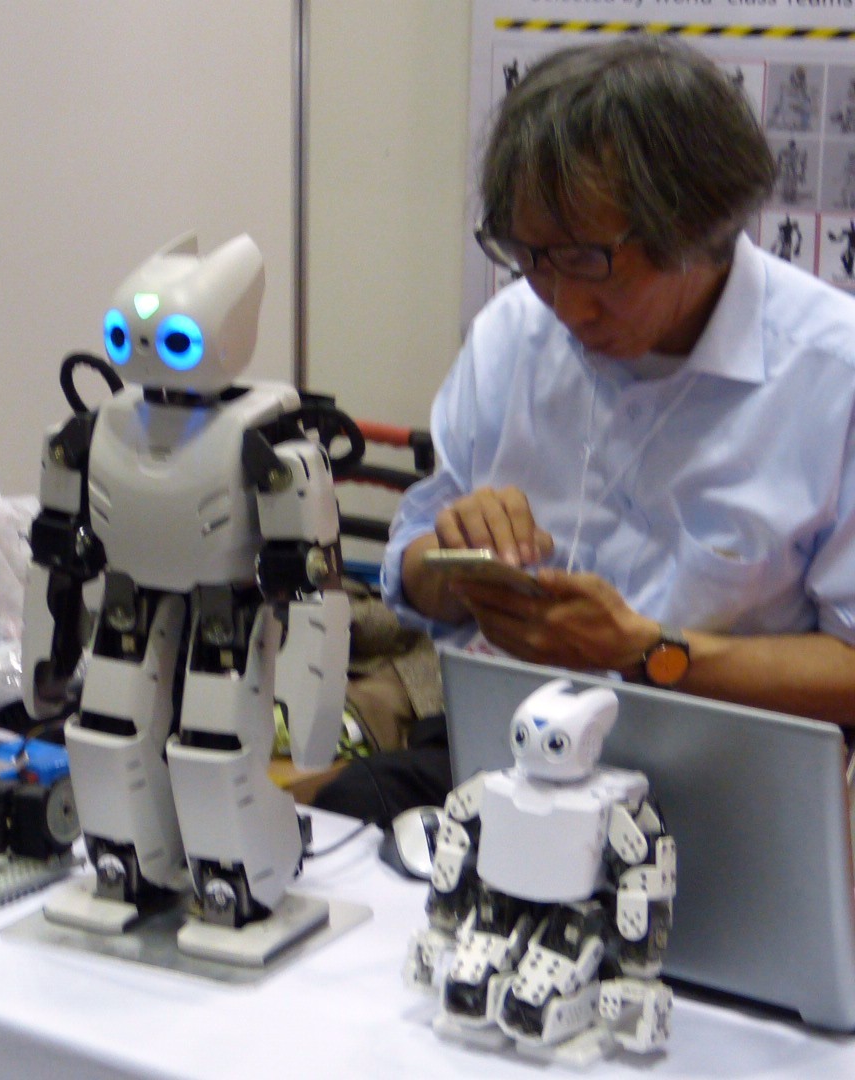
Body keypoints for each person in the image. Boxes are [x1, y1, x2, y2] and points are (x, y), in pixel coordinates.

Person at [316, 37, 855, 822]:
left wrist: (643, 650)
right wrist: (456, 560)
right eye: (533, 257)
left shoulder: (831, 374)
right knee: (340, 824)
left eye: (593, 262)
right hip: (507, 755)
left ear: (701, 229)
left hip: (720, 790)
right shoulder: (514, 334)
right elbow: (410, 563)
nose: (565, 307)